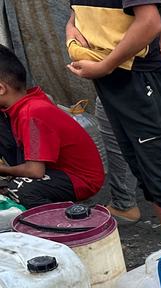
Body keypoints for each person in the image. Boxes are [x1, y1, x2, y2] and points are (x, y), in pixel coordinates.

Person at [66, 0, 161, 233]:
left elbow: (150, 22)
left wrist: (105, 65)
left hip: (138, 79)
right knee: (146, 177)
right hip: (110, 79)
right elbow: (77, 14)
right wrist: (71, 33)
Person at [96, 0, 161, 222]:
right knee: (112, 125)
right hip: (115, 51)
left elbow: (151, 21)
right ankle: (124, 202)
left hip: (154, 51)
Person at [0, 45, 104, 209]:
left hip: (79, 179)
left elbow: (35, 171)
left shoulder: (31, 114)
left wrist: (4, 170)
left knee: (18, 190)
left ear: (1, 88)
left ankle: (66, 222)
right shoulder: (24, 102)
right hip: (53, 168)